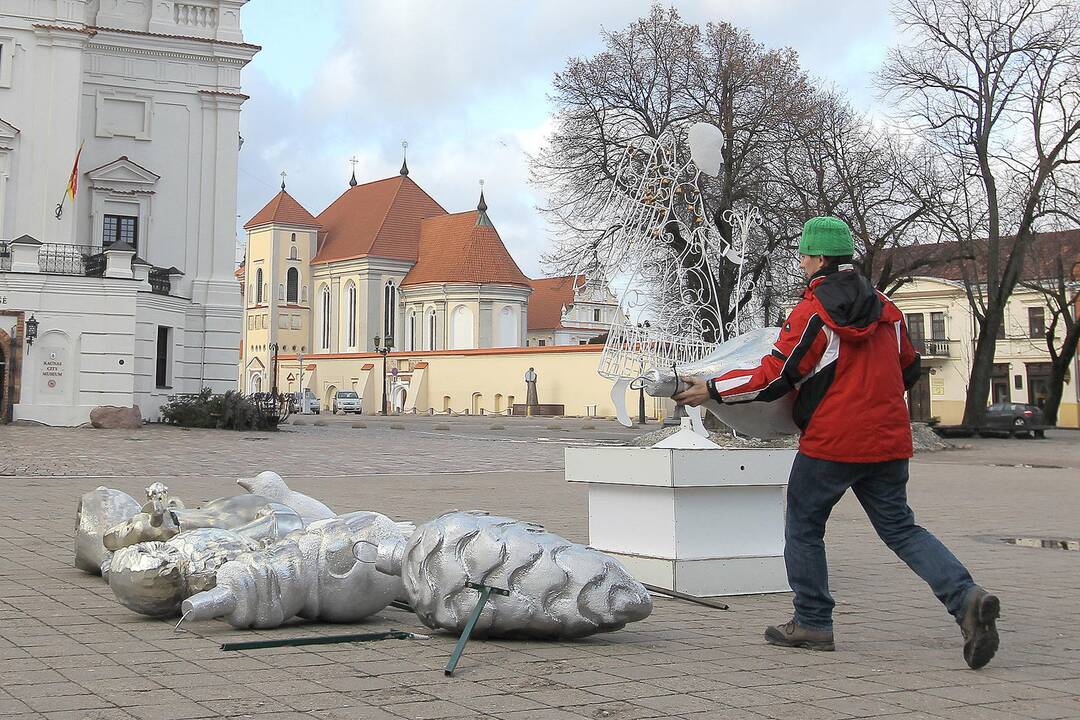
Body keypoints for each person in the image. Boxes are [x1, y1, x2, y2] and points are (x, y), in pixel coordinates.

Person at [674, 216, 1000, 669]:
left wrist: (713, 389)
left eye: (805, 254)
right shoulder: (888, 308)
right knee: (902, 530)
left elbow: (778, 374)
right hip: (888, 438)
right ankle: (966, 598)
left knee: (804, 526)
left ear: (819, 257)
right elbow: (910, 368)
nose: (802, 262)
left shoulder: (814, 312)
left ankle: (812, 622)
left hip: (832, 440)